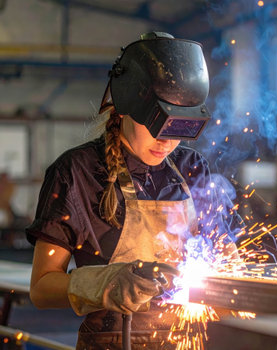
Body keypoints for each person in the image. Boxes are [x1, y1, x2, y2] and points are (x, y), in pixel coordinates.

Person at [26, 32, 242, 350]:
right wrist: (103, 284)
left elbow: (229, 259)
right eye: (157, 125)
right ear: (126, 106)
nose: (167, 142)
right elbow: (41, 289)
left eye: (179, 129)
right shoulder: (78, 173)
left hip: (186, 340)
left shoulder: (191, 167)